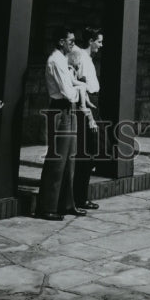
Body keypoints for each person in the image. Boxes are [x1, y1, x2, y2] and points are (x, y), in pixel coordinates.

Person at [34, 27, 87, 221]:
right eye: (70, 41)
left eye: (73, 41)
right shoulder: (55, 60)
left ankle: (66, 203)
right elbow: (67, 91)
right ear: (60, 42)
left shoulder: (63, 60)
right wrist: (80, 87)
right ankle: (46, 206)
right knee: (57, 160)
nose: (73, 44)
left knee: (70, 160)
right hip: (61, 108)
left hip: (69, 109)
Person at [70, 27, 103, 211]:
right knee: (87, 153)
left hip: (93, 102)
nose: (101, 45)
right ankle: (78, 198)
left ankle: (81, 196)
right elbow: (80, 85)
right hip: (87, 107)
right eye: (98, 41)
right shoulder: (80, 56)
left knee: (92, 153)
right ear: (91, 40)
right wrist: (88, 114)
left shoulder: (88, 58)